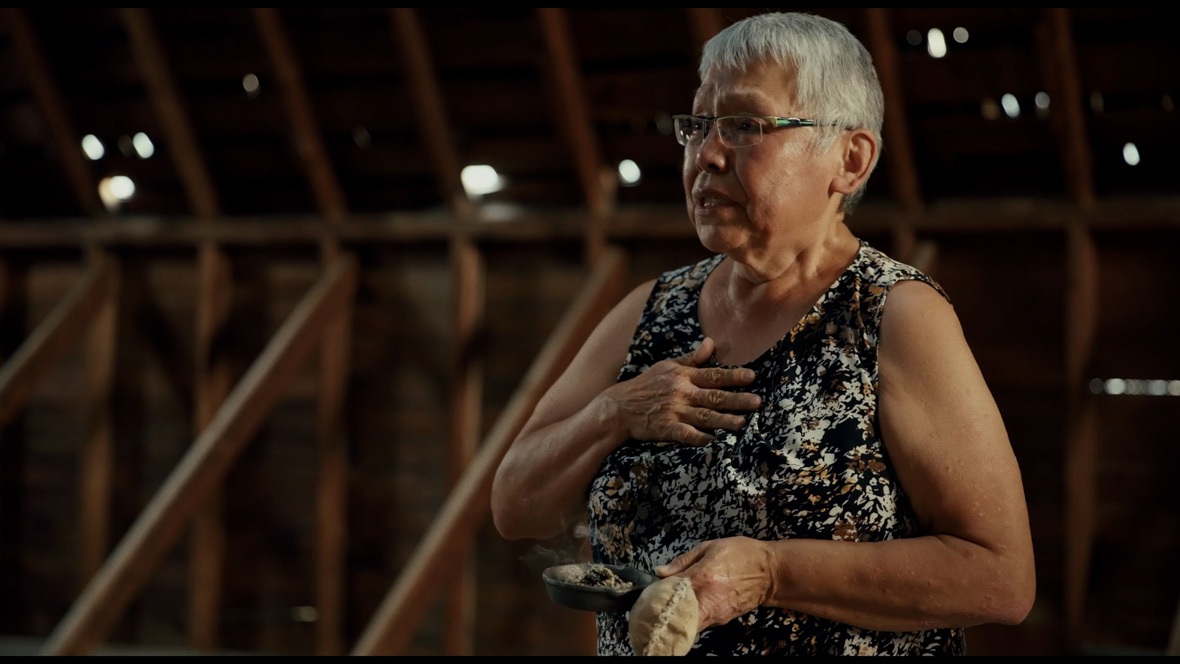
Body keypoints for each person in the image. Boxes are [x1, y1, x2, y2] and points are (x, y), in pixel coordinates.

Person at [491, 10, 1035, 656]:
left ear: (849, 160)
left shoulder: (892, 314)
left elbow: (1000, 577)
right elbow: (515, 505)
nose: (708, 154)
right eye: (698, 125)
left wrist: (770, 573)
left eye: (746, 126)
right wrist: (617, 411)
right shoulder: (650, 311)